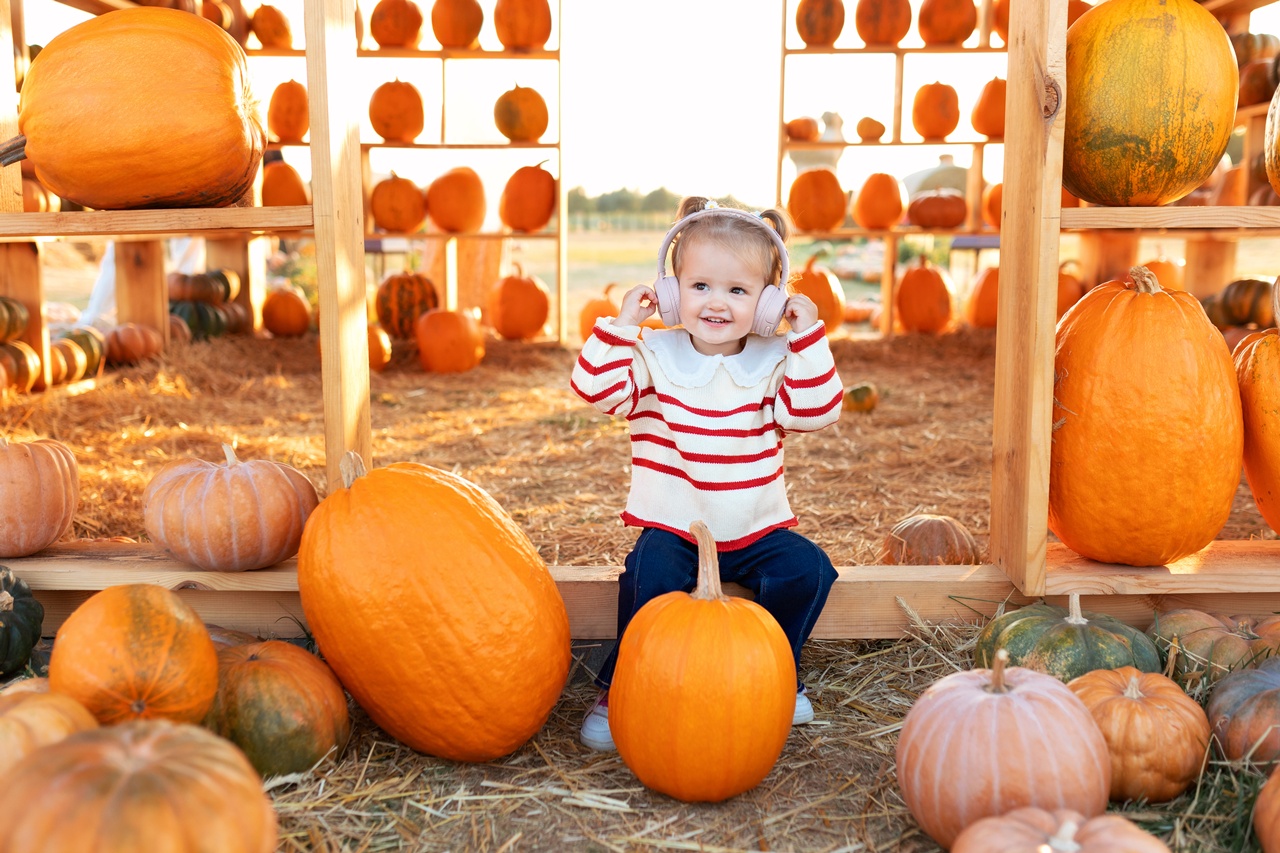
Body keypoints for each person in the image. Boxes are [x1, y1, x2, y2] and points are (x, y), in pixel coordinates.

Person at [569, 196, 844, 752]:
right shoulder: (653, 355)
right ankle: (622, 685)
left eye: (738, 291)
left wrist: (808, 337)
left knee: (809, 570)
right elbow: (597, 392)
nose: (716, 303)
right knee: (649, 576)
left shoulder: (773, 358)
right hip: (678, 526)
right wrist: (622, 325)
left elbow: (815, 413)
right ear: (670, 293)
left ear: (768, 303)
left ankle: (776, 673)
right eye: (699, 287)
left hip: (753, 528)